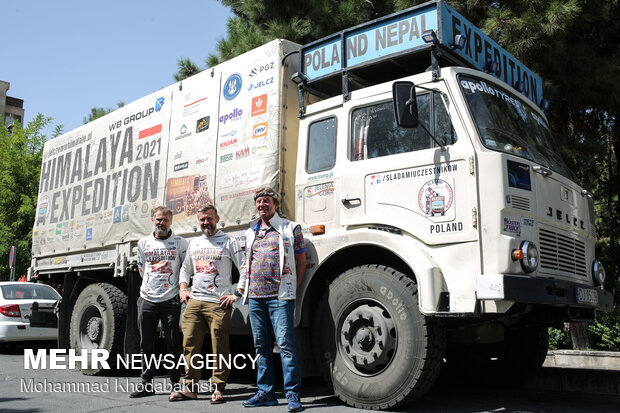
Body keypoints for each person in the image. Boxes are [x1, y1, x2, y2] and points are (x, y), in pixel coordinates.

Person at [170, 205, 245, 403]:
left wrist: (237, 294)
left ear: (217, 218)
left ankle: (218, 388)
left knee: (219, 346)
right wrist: (183, 289)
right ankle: (190, 388)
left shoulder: (229, 241)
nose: (206, 223)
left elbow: (244, 267)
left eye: (209, 219)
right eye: (202, 219)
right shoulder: (194, 243)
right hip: (195, 301)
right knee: (189, 345)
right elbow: (185, 269)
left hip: (218, 303)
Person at [241, 187, 307, 412]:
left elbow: (301, 261)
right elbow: (245, 263)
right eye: (259, 202)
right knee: (261, 346)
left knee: (286, 346)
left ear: (276, 205)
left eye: (266, 201)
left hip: (280, 297)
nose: (262, 205)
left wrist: (292, 289)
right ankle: (265, 392)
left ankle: (292, 395)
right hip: (256, 298)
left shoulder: (290, 228)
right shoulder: (251, 231)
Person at [131, 206, 188, 398]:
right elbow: (141, 268)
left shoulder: (180, 243)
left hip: (170, 299)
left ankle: (175, 383)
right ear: (153, 221)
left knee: (173, 343)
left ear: (171, 222)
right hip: (146, 299)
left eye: (165, 220)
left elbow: (185, 269)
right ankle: (146, 383)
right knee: (146, 343)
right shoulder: (143, 243)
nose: (161, 223)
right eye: (158, 220)